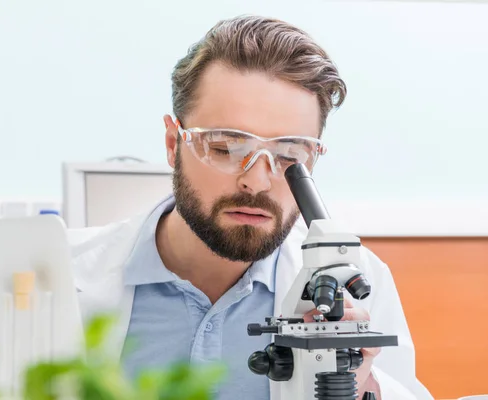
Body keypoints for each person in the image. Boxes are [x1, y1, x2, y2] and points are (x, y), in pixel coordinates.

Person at [68, 15, 433, 400]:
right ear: (174, 144)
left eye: (289, 154)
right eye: (225, 148)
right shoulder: (63, 274)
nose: (257, 182)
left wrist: (359, 388)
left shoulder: (358, 280)